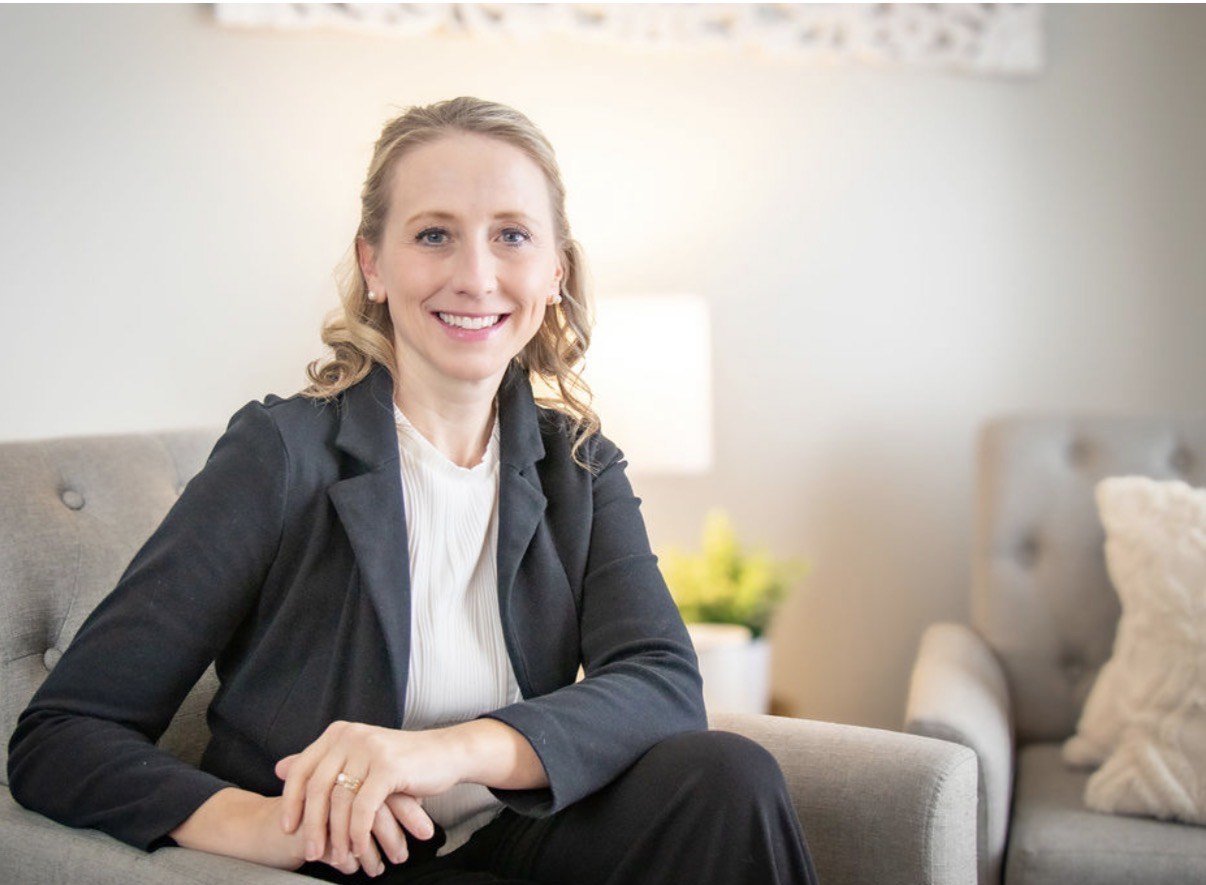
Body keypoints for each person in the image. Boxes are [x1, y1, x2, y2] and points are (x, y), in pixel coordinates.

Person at [7, 96, 819, 884]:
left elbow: (661, 682)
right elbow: (62, 734)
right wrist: (255, 824)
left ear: (554, 271)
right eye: (434, 234)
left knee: (729, 778)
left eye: (511, 235)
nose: (476, 275)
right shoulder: (281, 452)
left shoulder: (579, 463)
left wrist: (447, 748)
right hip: (361, 860)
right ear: (374, 263)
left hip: (519, 826)